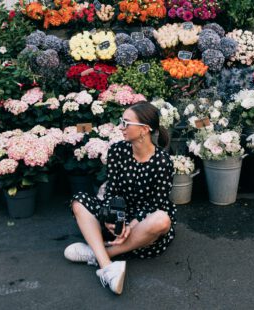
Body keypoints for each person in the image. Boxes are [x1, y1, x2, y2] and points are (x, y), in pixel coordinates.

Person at [64, 102, 177, 295]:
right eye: (121, 122)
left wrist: (131, 226)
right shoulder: (118, 151)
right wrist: (111, 217)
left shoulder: (162, 162)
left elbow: (156, 204)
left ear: (144, 130)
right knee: (79, 200)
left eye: (126, 123)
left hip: (142, 223)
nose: (121, 127)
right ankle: (108, 266)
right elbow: (112, 190)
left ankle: (99, 253)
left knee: (162, 219)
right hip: (119, 215)